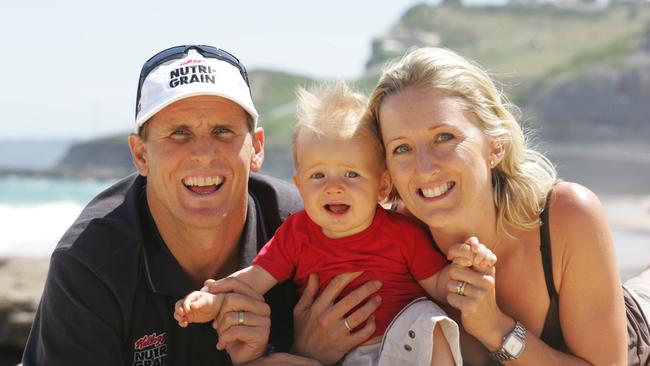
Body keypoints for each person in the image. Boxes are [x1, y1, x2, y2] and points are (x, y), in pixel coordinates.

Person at [21, 45, 383, 366]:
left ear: (256, 149)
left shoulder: (308, 224)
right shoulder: (91, 260)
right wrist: (300, 356)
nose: (204, 155)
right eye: (179, 133)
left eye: (223, 132)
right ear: (140, 155)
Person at [174, 82, 501, 366]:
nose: (334, 186)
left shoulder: (401, 233)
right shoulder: (296, 232)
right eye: (318, 175)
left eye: (351, 174)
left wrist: (467, 267)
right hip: (336, 356)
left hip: (403, 344)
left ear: (383, 186)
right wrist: (212, 299)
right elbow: (251, 280)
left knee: (431, 320)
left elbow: (440, 284)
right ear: (299, 186)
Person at [364, 46, 650, 365]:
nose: (425, 167)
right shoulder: (390, 243)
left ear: (495, 146)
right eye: (401, 148)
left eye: (443, 137)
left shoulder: (566, 215)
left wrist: (495, 328)